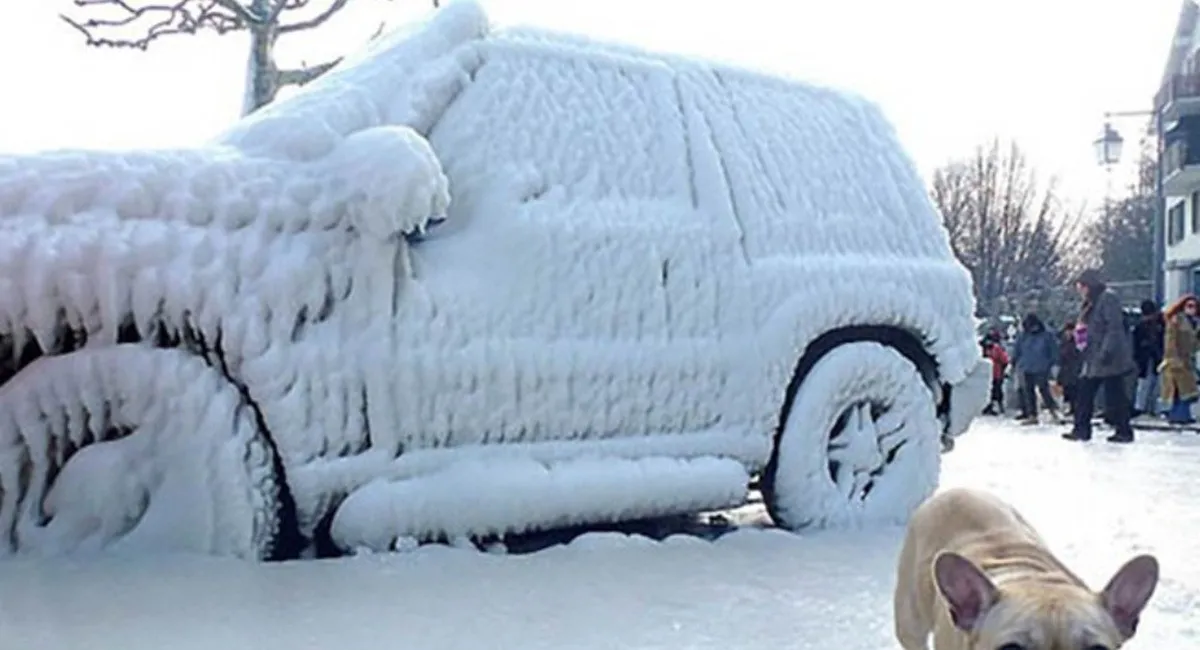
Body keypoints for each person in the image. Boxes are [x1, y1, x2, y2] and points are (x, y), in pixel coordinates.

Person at [1062, 269, 1137, 443]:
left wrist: (1106, 351)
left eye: (1081, 286)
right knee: (1089, 393)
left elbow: (1114, 328)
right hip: (1094, 355)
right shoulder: (1090, 303)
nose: (1079, 290)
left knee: (1110, 395)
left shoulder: (1107, 299)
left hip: (1107, 357)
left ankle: (1120, 430)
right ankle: (1085, 428)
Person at [1158, 294, 1200, 425]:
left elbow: (1194, 345)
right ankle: (1178, 416)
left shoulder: (1195, 323)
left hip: (1187, 362)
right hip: (1175, 361)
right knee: (1178, 391)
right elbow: (1170, 341)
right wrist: (1173, 358)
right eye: (1189, 306)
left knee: (1187, 392)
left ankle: (1181, 415)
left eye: (1194, 306)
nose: (1192, 309)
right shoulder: (1176, 320)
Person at [1011, 312, 1060, 424]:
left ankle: (1053, 411)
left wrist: (1054, 363)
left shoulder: (1047, 335)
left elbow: (1053, 350)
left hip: (1042, 366)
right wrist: (1013, 362)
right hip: (1026, 367)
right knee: (1028, 392)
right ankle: (1032, 415)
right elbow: (1017, 350)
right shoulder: (1023, 335)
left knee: (1044, 389)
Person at [1131, 299, 1165, 418]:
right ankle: (1146, 407)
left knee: (1149, 383)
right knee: (1148, 382)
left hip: (1153, 357)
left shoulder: (1158, 324)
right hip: (1148, 358)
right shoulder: (1158, 324)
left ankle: (1144, 407)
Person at [1056, 320, 1082, 414]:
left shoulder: (1077, 341)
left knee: (1076, 389)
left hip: (1075, 368)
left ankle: (1076, 407)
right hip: (1066, 368)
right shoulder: (1063, 341)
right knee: (1068, 389)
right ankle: (1071, 407)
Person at [981, 333, 1009, 415]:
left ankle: (999, 406)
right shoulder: (981, 349)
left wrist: (1003, 371)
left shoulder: (997, 349)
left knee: (997, 391)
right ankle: (987, 407)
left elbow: (1005, 360)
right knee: (986, 392)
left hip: (996, 374)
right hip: (985, 375)